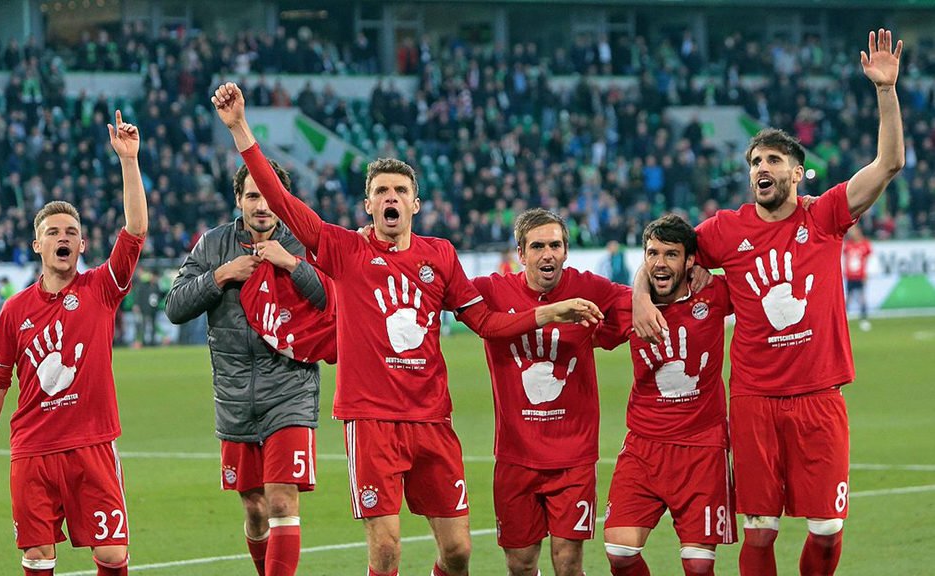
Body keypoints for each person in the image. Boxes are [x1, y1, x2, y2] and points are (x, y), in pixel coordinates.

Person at [211, 81, 599, 576]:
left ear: (415, 204)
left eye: (400, 191)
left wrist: (546, 312)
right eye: (381, 192)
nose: (390, 198)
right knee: (387, 550)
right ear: (368, 205)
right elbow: (284, 203)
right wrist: (240, 128)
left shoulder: (440, 255)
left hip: (432, 419)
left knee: (458, 551)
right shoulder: (345, 250)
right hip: (371, 421)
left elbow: (486, 322)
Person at [632, 30, 904, 576]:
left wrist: (885, 92)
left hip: (818, 397)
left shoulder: (822, 216)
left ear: (796, 173)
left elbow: (890, 163)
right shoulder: (724, 230)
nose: (762, 167)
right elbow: (664, 254)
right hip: (754, 400)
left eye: (774, 159)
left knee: (826, 532)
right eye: (756, 159)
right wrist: (641, 295)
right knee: (758, 527)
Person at [0, 110, 147, 576]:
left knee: (110, 554)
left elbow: (135, 230)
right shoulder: (14, 310)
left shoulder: (101, 290)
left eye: (71, 233)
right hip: (33, 451)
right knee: (37, 557)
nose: (62, 238)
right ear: (37, 246)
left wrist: (129, 161)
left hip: (93, 445)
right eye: (53, 233)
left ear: (83, 246)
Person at [165, 159, 330, 576]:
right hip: (235, 397)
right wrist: (221, 275)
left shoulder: (304, 243)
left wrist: (292, 265)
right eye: (252, 195)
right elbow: (175, 306)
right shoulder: (213, 245)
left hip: (290, 391)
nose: (261, 205)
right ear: (238, 199)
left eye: (269, 196)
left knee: (280, 500)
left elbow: (333, 301)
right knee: (255, 508)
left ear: (283, 200)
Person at [472, 208, 628, 576]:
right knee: (521, 564)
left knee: (568, 562)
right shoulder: (492, 290)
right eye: (538, 246)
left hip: (573, 456)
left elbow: (636, 299)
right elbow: (442, 291)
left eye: (555, 245)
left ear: (566, 251)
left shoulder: (590, 288)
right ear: (520, 253)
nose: (548, 254)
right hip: (515, 455)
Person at [597, 215, 735, 576]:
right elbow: (587, 338)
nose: (660, 262)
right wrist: (638, 292)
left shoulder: (714, 293)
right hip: (643, 446)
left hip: (701, 447)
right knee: (619, 551)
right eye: (652, 253)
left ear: (690, 260)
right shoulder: (628, 307)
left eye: (671, 255)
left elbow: (751, 281)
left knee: (699, 566)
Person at [842, 224, 873, 331]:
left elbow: (868, 260)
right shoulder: (848, 245)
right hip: (850, 276)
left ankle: (863, 318)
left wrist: (866, 274)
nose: (852, 233)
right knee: (848, 298)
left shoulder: (865, 244)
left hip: (860, 276)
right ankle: (844, 317)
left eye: (854, 230)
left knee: (862, 298)